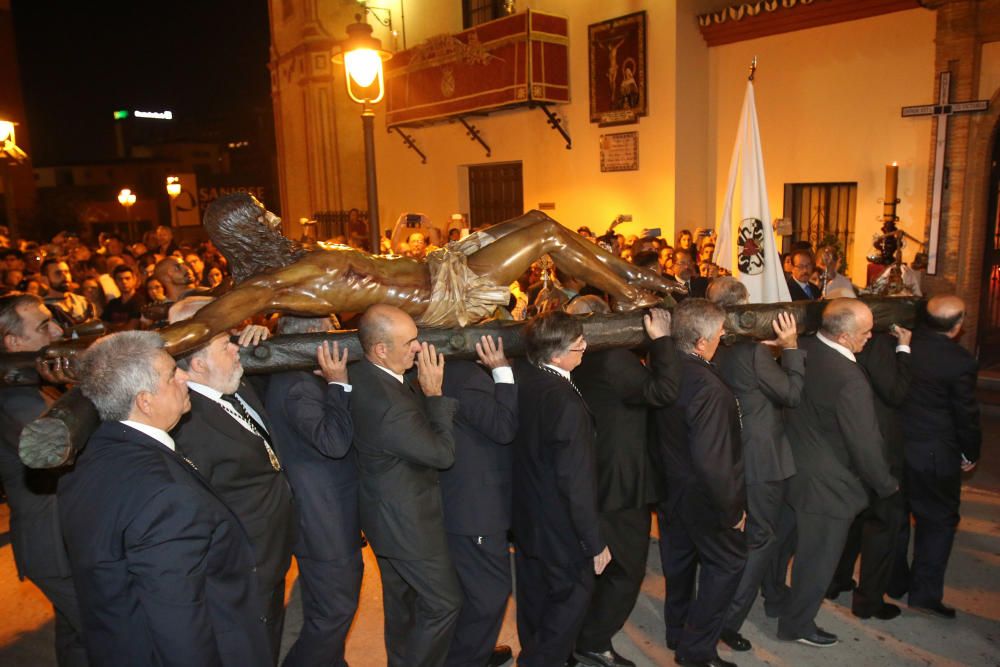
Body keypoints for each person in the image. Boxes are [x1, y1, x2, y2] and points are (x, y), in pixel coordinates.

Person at [149, 193, 683, 357]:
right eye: (260, 213)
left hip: (439, 267)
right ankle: (632, 291)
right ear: (245, 230)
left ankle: (632, 278)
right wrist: (117, 353)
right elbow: (197, 328)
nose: (272, 215)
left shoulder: (290, 258)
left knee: (539, 221)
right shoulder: (267, 286)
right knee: (543, 237)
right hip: (441, 295)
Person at [58, 330, 271, 666]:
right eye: (173, 373)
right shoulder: (166, 495)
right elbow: (178, 622)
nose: (185, 376)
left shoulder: (91, 458)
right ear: (145, 400)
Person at [778, 299, 899, 647]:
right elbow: (865, 443)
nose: (870, 337)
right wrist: (885, 485)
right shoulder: (850, 379)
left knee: (779, 547)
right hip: (829, 486)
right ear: (845, 337)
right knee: (816, 562)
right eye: (865, 332)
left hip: (791, 468)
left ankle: (774, 599)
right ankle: (796, 625)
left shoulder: (802, 346)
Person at [566, 298, 679, 667]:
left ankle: (576, 637)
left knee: (596, 568)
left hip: (594, 475)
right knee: (626, 570)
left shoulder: (579, 359)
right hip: (621, 483)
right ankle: (593, 642)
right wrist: (662, 341)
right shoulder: (614, 359)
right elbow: (663, 392)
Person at [172, 329, 296, 663]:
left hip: (271, 547)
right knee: (247, 648)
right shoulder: (187, 421)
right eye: (225, 346)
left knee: (269, 633)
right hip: (243, 561)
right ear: (198, 364)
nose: (235, 349)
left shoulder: (235, 385)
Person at [350, 304, 463, 667]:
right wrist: (434, 396)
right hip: (408, 523)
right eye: (411, 342)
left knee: (403, 607)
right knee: (444, 604)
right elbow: (442, 454)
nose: (419, 348)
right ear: (381, 349)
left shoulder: (363, 374)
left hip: (385, 516)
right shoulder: (390, 406)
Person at [706, 278, 803, 653]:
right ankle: (728, 620)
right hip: (761, 460)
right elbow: (791, 394)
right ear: (743, 305)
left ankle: (765, 592)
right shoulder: (752, 353)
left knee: (741, 537)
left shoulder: (714, 346)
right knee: (760, 539)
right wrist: (791, 348)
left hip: (729, 453)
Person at [511, 311, 610, 667]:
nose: (585, 347)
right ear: (555, 355)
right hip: (560, 524)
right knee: (571, 599)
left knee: (535, 599)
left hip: (528, 516)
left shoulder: (522, 377)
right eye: (578, 343)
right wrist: (594, 540)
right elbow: (575, 478)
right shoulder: (563, 400)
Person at [654, 299, 746, 667]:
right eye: (721, 333)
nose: (724, 338)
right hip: (703, 497)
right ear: (702, 342)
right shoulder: (707, 386)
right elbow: (715, 461)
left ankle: (677, 631)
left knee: (678, 563)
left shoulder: (664, 369)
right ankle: (694, 650)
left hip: (670, 489)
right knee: (726, 564)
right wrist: (733, 511)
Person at [264, 317, 359, 666]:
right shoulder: (298, 386)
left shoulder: (296, 377)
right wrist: (338, 384)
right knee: (335, 609)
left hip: (326, 511)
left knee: (324, 605)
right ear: (309, 336)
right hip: (322, 517)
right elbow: (333, 443)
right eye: (331, 331)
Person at [0, 293, 87, 667]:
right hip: (51, 541)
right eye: (42, 327)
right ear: (13, 343)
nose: (56, 330)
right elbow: (60, 448)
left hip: (62, 536)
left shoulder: (35, 377)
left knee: (75, 635)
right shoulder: (15, 397)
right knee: (108, 630)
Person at [893, 295, 981, 618]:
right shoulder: (959, 361)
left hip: (898, 445)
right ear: (957, 327)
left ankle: (894, 580)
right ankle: (924, 593)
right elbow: (966, 414)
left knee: (898, 515)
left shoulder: (902, 343)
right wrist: (970, 451)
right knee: (938, 522)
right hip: (934, 454)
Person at [439, 335, 518, 667]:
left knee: (471, 593)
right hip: (475, 509)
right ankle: (467, 659)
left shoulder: (448, 371)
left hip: (460, 501)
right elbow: (503, 428)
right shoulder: (467, 379)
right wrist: (502, 372)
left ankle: (474, 652)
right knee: (490, 594)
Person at [827, 321, 911, 620]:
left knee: (853, 522)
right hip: (878, 451)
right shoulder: (881, 345)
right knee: (881, 527)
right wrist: (904, 349)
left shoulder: (844, 345)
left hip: (853, 447)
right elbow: (896, 392)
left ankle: (836, 581)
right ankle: (868, 601)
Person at [41, 258, 97, 328]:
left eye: (67, 272)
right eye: (58, 273)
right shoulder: (42, 308)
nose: (65, 277)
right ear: (45, 280)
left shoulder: (83, 302)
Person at [101, 265, 146, 331]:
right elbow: (101, 325)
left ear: (134, 279)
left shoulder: (140, 301)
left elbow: (131, 329)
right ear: (115, 282)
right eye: (120, 279)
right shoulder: (112, 303)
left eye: (127, 278)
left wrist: (109, 326)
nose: (124, 282)